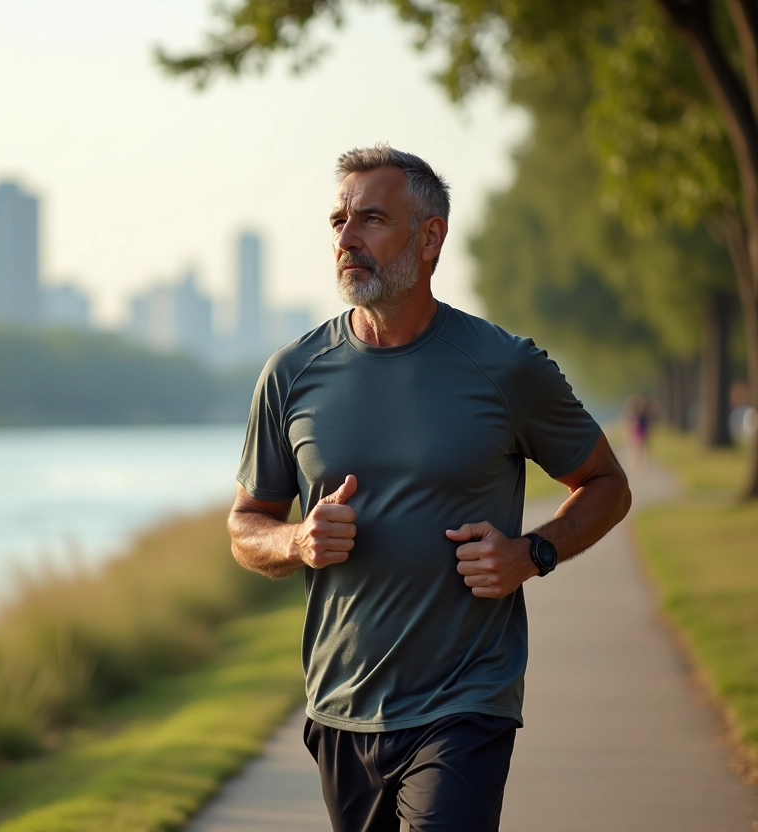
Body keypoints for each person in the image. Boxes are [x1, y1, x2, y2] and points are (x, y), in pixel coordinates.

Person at [229, 145, 632, 832]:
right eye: (338, 220)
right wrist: (296, 540)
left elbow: (606, 485)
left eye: (371, 219)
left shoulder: (504, 367)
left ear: (430, 236)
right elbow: (246, 526)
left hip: (466, 701)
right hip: (341, 707)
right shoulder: (292, 373)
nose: (347, 237)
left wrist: (531, 553)